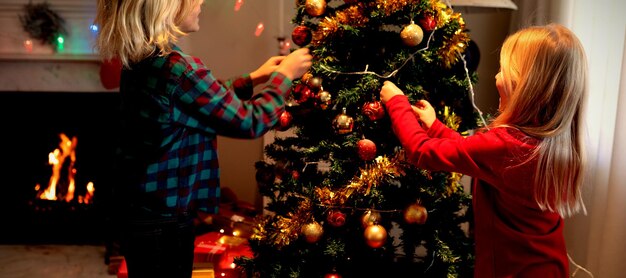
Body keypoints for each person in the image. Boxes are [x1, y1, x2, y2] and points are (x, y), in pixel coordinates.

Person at [94, 0, 312, 277]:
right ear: (167, 8)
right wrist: (284, 76)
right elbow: (250, 121)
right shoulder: (179, 69)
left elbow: (195, 100)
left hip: (140, 210)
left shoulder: (145, 59)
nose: (201, 2)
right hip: (165, 221)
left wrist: (254, 78)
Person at [380, 24, 587, 277]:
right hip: (549, 267)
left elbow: (420, 151)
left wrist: (396, 102)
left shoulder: (507, 146)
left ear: (525, 85)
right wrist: (434, 126)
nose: (496, 77)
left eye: (503, 70)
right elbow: (476, 155)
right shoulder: (549, 143)